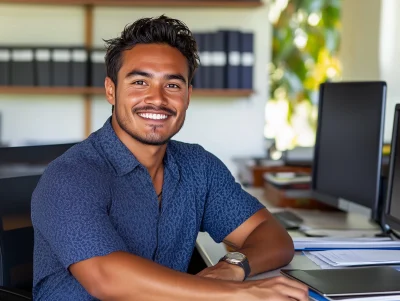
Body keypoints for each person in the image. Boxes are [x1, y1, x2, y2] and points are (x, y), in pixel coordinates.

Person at [31, 15, 308, 301]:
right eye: (140, 82)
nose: (158, 99)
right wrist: (235, 293)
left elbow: (272, 235)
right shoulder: (70, 176)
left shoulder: (198, 167)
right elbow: (106, 278)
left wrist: (232, 268)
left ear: (188, 95)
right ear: (111, 90)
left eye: (172, 85)